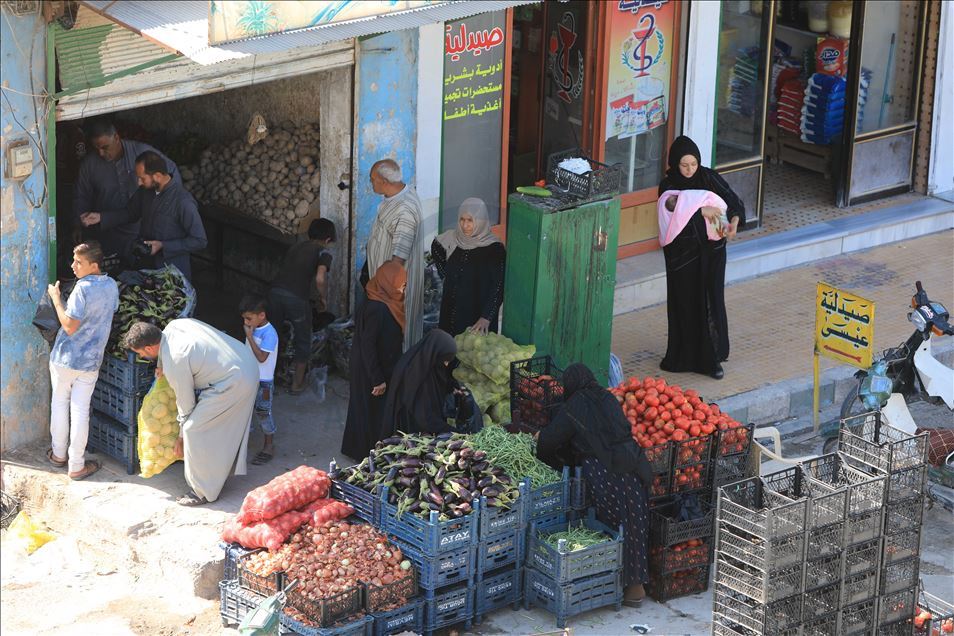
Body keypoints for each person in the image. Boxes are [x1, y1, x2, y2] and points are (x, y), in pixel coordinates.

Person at [535, 363, 654, 607]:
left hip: (605, 471)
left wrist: (561, 465)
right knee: (634, 521)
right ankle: (635, 584)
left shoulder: (574, 407)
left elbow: (547, 443)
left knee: (612, 524)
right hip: (632, 464)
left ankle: (618, 585)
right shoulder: (608, 398)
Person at [122, 319, 259, 506]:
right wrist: (161, 364)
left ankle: (202, 492)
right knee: (214, 425)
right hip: (245, 361)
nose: (142, 357)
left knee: (193, 430)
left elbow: (186, 405)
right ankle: (216, 470)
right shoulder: (174, 325)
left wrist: (180, 437)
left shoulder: (175, 361)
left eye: (140, 354)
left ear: (148, 348)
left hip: (235, 381)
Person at [657, 135, 745, 380]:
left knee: (712, 300)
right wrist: (700, 210)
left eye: (693, 164)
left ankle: (713, 354)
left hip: (712, 254)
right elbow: (671, 220)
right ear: (675, 163)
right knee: (686, 303)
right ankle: (687, 356)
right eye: (684, 165)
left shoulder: (708, 177)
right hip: (683, 259)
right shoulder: (668, 186)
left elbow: (733, 202)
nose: (689, 170)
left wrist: (735, 221)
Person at [46, 242, 120, 480]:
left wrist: (56, 299)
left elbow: (69, 326)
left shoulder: (82, 288)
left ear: (94, 265)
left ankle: (58, 455)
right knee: (79, 411)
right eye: (73, 260)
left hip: (65, 358)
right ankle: (76, 465)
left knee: (59, 402)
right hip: (90, 362)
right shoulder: (111, 286)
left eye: (79, 262)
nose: (73, 266)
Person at [73, 119, 179, 260]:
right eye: (96, 148)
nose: (101, 153)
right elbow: (82, 196)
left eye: (105, 147)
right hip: (108, 233)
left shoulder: (142, 154)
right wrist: (77, 224)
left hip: (142, 232)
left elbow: (171, 172)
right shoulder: (90, 165)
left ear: (117, 138)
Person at [341, 261, 407, 460]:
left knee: (368, 409)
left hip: (376, 365)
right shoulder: (378, 308)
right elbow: (368, 346)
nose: (404, 287)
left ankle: (361, 450)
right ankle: (364, 453)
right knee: (370, 410)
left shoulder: (379, 300)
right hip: (371, 368)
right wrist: (377, 378)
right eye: (401, 283)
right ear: (388, 282)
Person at [268, 218, 336, 394]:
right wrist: (323, 298)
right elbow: (320, 278)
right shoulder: (323, 253)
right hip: (296, 298)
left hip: (274, 292)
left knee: (272, 337)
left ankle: (268, 381)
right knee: (303, 340)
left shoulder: (296, 247)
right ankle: (297, 384)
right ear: (328, 239)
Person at [363, 159, 423, 351]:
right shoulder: (396, 196)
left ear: (384, 181)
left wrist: (380, 294)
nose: (371, 183)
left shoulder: (404, 210)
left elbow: (397, 263)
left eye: (373, 179)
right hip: (381, 282)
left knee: (391, 339)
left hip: (389, 290)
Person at [127, 150, 207, 281]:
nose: (139, 183)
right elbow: (130, 213)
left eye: (142, 178)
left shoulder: (184, 202)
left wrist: (163, 245)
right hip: (145, 268)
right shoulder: (145, 192)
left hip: (172, 275)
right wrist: (101, 217)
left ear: (157, 176)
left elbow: (200, 241)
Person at [431, 198, 506, 336]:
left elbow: (499, 285)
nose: (465, 225)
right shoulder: (452, 239)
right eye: (462, 219)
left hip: (477, 315)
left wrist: (486, 317)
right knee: (448, 351)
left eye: (470, 220)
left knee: (472, 353)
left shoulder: (494, 249)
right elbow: (436, 248)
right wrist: (446, 275)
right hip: (451, 311)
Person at [381, 329, 473, 436]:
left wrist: (454, 389)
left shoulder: (427, 362)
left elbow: (441, 382)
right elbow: (425, 418)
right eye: (445, 360)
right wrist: (455, 432)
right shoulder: (414, 375)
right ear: (435, 352)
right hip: (410, 431)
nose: (446, 365)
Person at [240, 295, 279, 465]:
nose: (246, 322)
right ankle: (242, 444)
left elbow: (262, 357)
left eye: (249, 318)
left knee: (263, 412)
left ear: (261, 315)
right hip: (250, 377)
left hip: (264, 382)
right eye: (244, 319)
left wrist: (249, 336)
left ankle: (269, 446)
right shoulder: (254, 328)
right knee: (245, 411)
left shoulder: (269, 334)